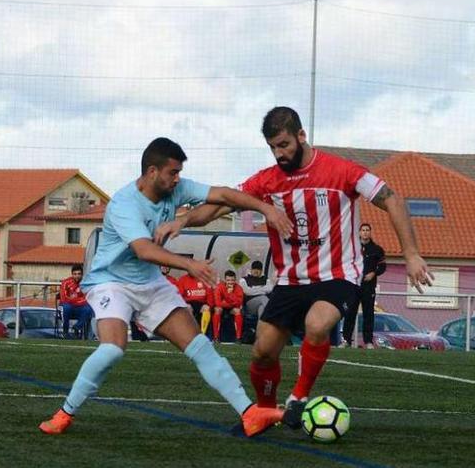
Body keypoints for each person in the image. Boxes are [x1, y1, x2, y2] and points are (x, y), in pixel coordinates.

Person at [156, 107, 431, 431]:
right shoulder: (267, 180)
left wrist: (411, 254)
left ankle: (298, 398)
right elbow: (220, 206)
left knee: (317, 324)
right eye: (273, 147)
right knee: (262, 352)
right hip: (290, 279)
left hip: (338, 273)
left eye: (284, 144)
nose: (280, 153)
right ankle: (266, 414)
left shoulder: (342, 171)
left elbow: (392, 199)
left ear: (301, 136)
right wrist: (184, 219)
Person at [38, 137, 293, 437]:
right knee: (112, 349)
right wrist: (189, 265)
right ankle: (64, 414)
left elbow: (222, 194)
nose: (178, 179)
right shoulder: (124, 204)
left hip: (149, 281)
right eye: (172, 173)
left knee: (201, 347)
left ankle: (249, 414)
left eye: (179, 173)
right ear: (151, 172)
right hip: (111, 282)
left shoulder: (176, 187)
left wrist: (266, 209)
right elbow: (144, 249)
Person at [342, 223, 386, 348]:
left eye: (367, 230)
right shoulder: (353, 248)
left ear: (370, 232)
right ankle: (346, 340)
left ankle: (368, 341)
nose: (365, 232)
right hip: (354, 285)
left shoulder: (377, 250)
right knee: (350, 313)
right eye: (363, 230)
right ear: (359, 232)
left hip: (369, 286)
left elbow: (382, 266)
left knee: (368, 314)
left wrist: (374, 273)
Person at [239, 260, 272, 344]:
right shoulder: (244, 279)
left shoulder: (266, 279)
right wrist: (262, 289)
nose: (256, 271)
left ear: (261, 271)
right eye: (254, 269)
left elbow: (270, 289)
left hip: (262, 305)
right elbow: (247, 291)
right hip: (250, 304)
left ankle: (260, 336)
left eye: (258, 269)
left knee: (262, 308)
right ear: (251, 269)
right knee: (264, 298)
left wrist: (254, 289)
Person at [59, 264, 94, 339]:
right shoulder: (66, 282)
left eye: (79, 274)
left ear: (82, 275)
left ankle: (77, 328)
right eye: (75, 274)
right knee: (66, 307)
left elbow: (87, 299)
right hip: (68, 307)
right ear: (72, 274)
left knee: (89, 308)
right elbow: (64, 298)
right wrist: (78, 300)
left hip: (80, 309)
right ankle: (65, 332)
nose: (77, 276)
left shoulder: (86, 284)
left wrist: (72, 300)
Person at [213, 270, 244, 342]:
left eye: (232, 280)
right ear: (224, 280)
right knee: (217, 310)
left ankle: (238, 338)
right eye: (228, 280)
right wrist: (231, 302)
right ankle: (216, 337)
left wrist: (230, 294)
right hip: (222, 308)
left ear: (235, 280)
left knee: (238, 311)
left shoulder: (238, 288)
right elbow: (217, 303)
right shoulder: (219, 287)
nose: (230, 282)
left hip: (232, 309)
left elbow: (239, 303)